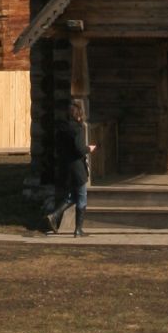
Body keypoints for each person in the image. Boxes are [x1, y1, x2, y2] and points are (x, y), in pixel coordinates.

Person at [48, 99, 95, 237]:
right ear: (78, 114)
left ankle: (54, 216)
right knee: (82, 197)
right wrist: (89, 148)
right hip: (77, 167)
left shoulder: (62, 129)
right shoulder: (77, 129)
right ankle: (78, 229)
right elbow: (80, 149)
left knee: (72, 196)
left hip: (66, 166)